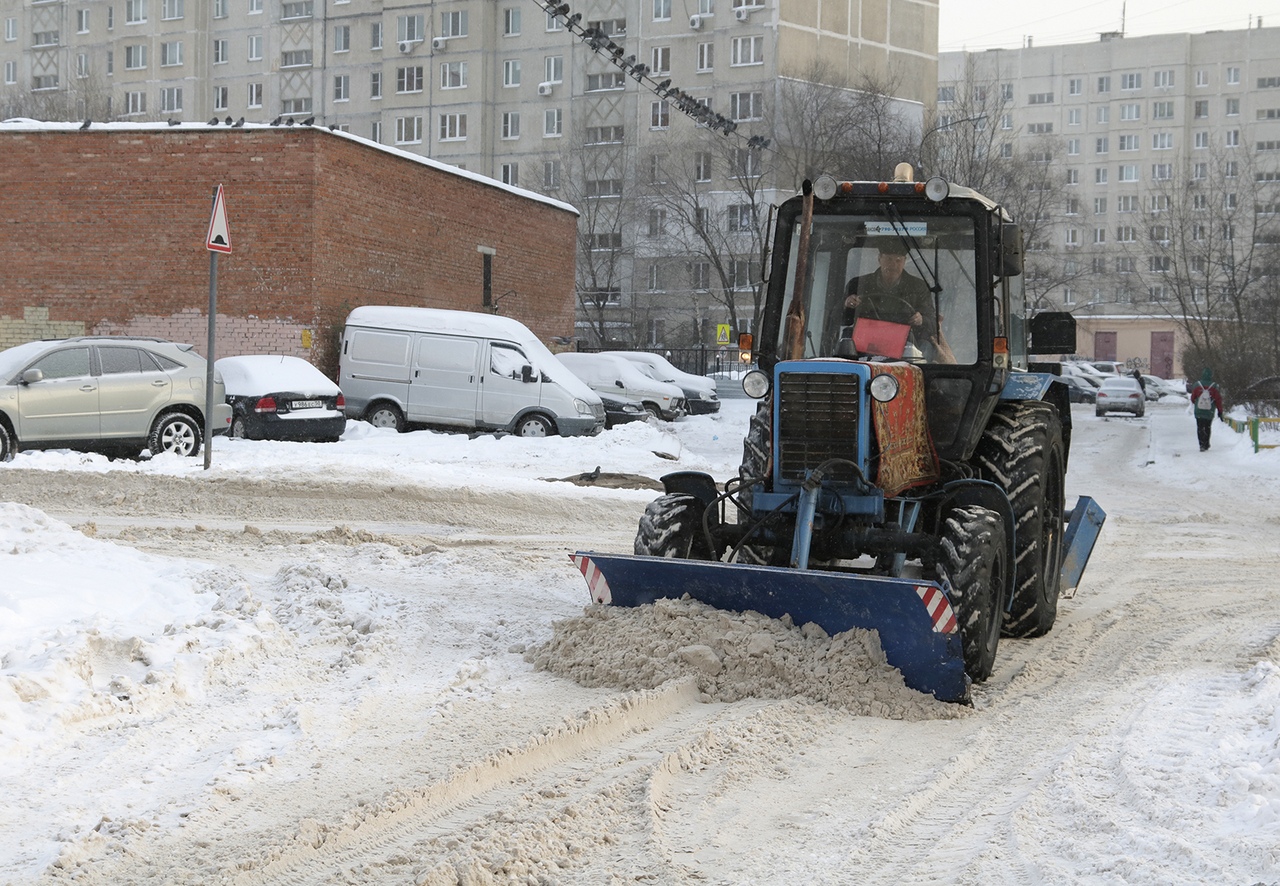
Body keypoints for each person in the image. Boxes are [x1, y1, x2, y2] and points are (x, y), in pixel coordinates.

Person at [843, 239, 937, 349]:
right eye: (889, 259)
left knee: (926, 347)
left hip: (906, 348)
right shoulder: (858, 284)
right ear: (879, 259)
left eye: (898, 260)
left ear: (904, 261)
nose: (893, 265)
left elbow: (932, 324)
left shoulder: (919, 287)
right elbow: (838, 320)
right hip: (864, 345)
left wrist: (921, 320)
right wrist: (846, 304)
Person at [1190, 368, 1224, 452]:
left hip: (1199, 411)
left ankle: (1201, 444)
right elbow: (1218, 400)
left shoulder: (1197, 385)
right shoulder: (1214, 386)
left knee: (1200, 427)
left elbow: (1192, 398)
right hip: (1209, 411)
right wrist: (1220, 411)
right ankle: (1206, 443)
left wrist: (1197, 403)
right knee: (1207, 427)